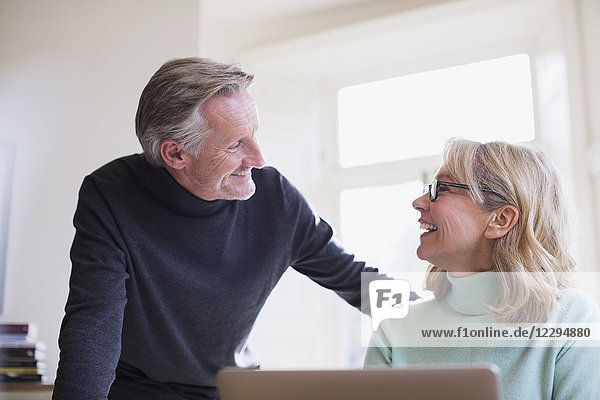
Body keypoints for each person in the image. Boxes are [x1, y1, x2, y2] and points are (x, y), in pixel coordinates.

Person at [53, 57, 378, 400]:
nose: (258, 158)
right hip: (137, 390)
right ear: (176, 154)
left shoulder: (275, 198)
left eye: (254, 135)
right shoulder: (112, 195)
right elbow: (93, 325)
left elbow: (356, 280)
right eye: (236, 144)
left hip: (233, 389)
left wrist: (436, 324)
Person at [364, 138, 600, 399]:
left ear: (500, 219)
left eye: (440, 189)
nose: (418, 202)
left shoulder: (571, 319)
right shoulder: (394, 330)